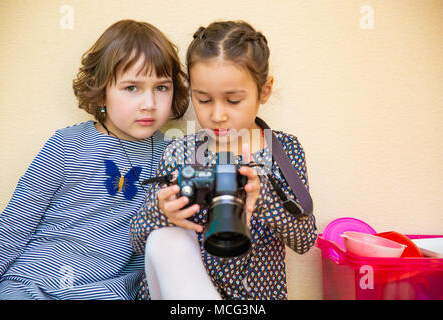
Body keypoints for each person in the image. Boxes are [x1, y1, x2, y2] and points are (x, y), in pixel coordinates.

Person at [0, 19, 189, 300]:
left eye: (161, 87)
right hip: (31, 285)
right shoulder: (66, 145)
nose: (149, 103)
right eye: (131, 88)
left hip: (107, 292)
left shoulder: (173, 156)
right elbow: (13, 227)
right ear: (101, 91)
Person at [129, 20, 317, 300]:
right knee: (163, 237)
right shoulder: (180, 152)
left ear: (264, 90)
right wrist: (161, 213)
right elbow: (138, 241)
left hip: (256, 298)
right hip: (181, 293)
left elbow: (305, 241)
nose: (217, 115)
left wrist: (265, 198)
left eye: (233, 100)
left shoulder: (284, 151)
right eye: (203, 100)